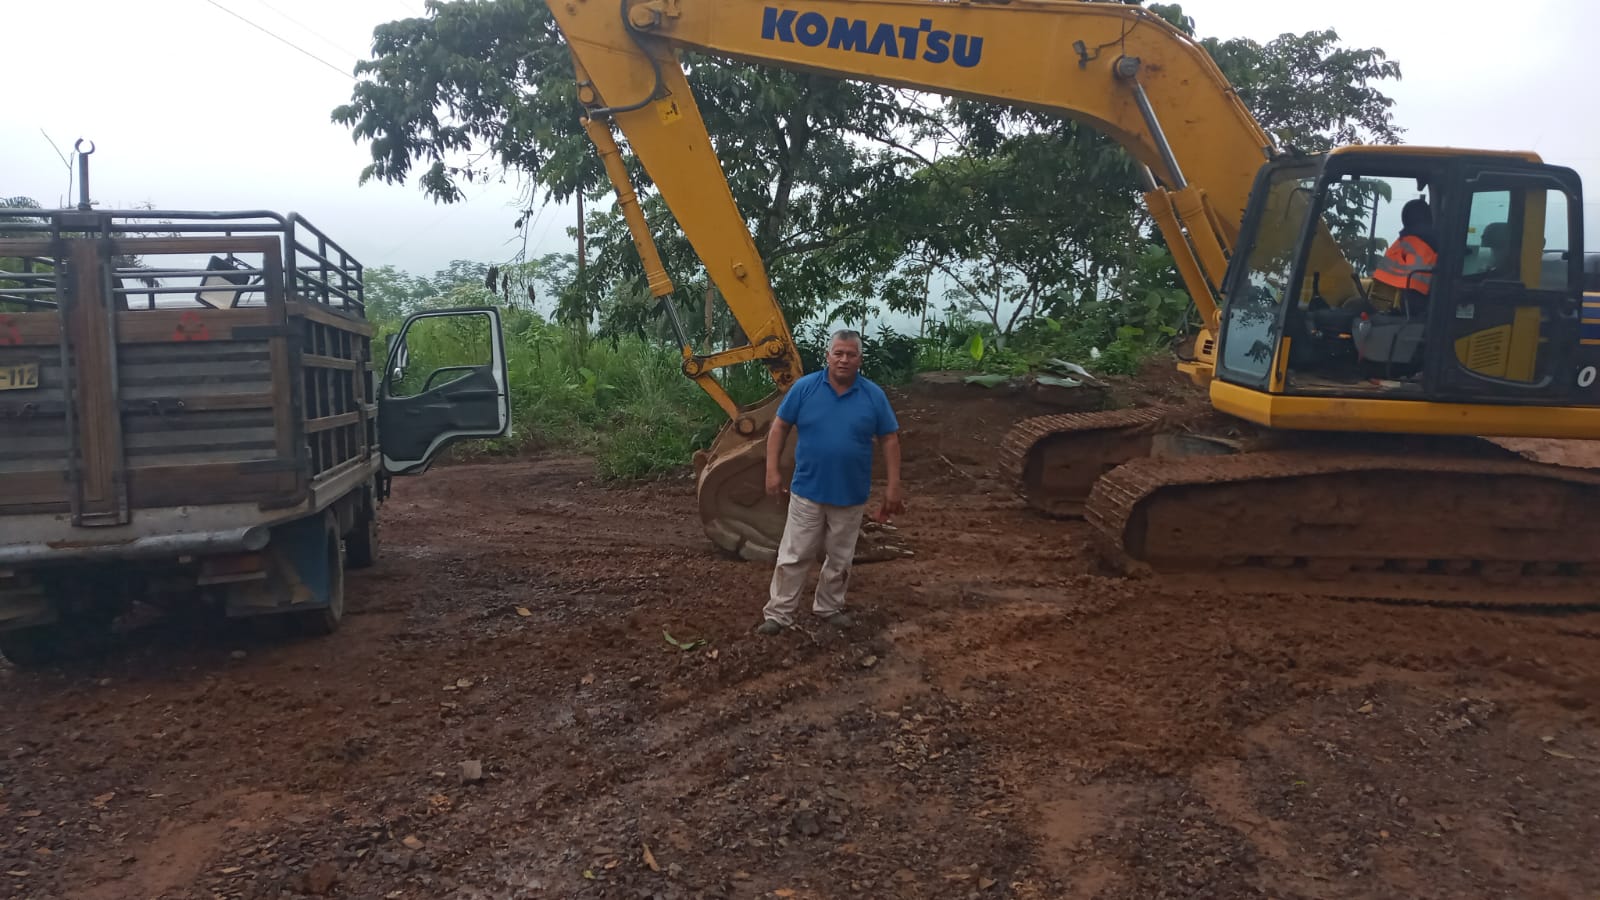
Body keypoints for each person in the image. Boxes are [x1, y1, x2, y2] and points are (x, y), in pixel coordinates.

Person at [755, 329, 903, 636]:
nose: (844, 359)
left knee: (840, 557)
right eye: (838, 353)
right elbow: (779, 427)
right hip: (807, 490)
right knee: (794, 555)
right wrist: (771, 470)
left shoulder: (873, 395)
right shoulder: (805, 388)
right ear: (828, 356)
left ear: (860, 359)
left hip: (851, 492)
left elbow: (889, 439)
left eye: (851, 354)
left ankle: (829, 607)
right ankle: (779, 613)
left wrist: (894, 486)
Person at [1372, 198, 1439, 309]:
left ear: (1405, 219)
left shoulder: (1399, 243)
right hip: (1411, 303)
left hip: (1379, 299)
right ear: (1429, 218)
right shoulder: (1435, 243)